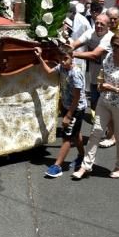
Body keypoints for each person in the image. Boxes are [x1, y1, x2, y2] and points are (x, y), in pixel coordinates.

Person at [72, 32, 119, 180]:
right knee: (95, 131)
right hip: (105, 101)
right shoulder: (109, 57)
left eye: (116, 46)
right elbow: (103, 73)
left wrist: (113, 88)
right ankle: (86, 165)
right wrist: (101, 83)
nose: (113, 49)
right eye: (112, 45)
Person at [35, 49, 87, 177]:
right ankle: (82, 156)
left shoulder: (75, 73)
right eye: (61, 59)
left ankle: (57, 166)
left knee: (67, 137)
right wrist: (40, 57)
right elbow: (49, 72)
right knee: (75, 134)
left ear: (72, 57)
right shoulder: (61, 67)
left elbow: (76, 97)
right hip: (66, 106)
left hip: (75, 109)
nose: (63, 62)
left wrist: (69, 115)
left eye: (66, 59)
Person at [70, 14, 113, 115]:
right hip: (94, 75)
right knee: (93, 101)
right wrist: (67, 48)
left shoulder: (109, 38)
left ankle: (103, 123)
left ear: (108, 26)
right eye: (97, 23)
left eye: (102, 24)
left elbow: (94, 55)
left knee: (104, 104)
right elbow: (75, 44)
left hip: (107, 77)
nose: (98, 26)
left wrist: (71, 54)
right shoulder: (90, 32)